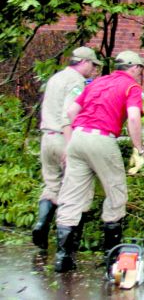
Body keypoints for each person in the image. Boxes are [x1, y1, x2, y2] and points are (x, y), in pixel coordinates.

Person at [53, 50, 144, 273]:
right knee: (116, 195)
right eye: (140, 69)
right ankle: (112, 258)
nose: (140, 73)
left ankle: (63, 259)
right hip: (102, 139)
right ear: (134, 67)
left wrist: (83, 132)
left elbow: (71, 110)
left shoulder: (97, 82)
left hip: (77, 138)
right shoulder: (131, 87)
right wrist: (138, 148)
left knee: (72, 196)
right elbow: (133, 117)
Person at [31, 46, 102, 249]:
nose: (94, 69)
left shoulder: (56, 78)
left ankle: (41, 224)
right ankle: (69, 245)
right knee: (77, 190)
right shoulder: (76, 82)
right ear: (84, 62)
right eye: (93, 65)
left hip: (47, 138)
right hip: (64, 138)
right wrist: (72, 146)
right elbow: (69, 113)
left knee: (52, 185)